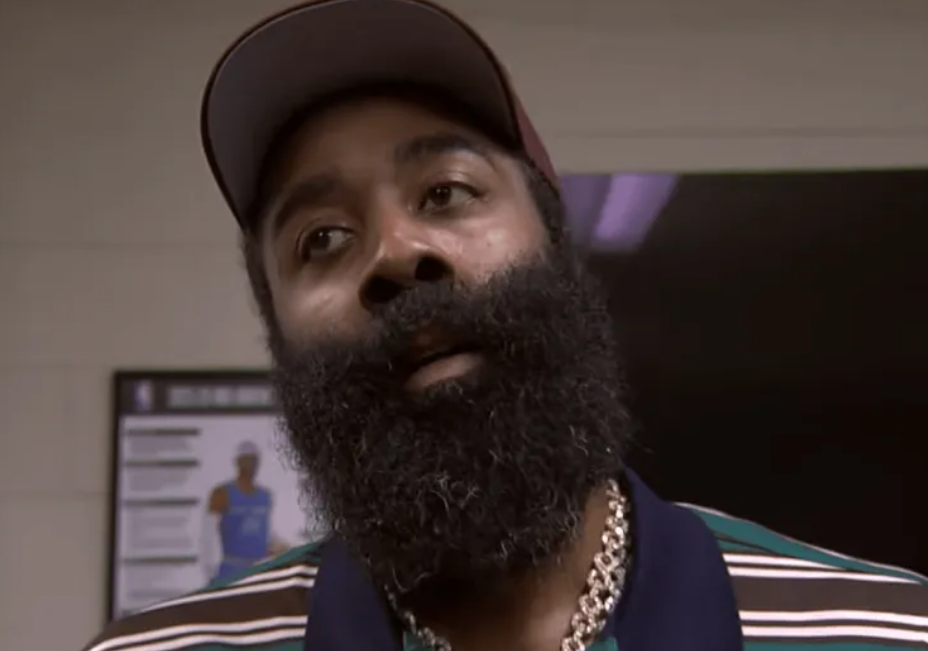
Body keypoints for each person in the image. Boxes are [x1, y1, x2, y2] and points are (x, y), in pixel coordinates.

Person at [82, 1, 928, 650]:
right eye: (322, 239)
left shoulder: (886, 633)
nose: (395, 252)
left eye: (445, 192)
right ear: (279, 336)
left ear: (555, 244)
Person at [200, 441, 289, 583]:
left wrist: (284, 550)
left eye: (254, 460)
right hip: (232, 570)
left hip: (259, 571)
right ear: (238, 462)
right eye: (247, 460)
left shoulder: (265, 496)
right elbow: (208, 536)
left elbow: (267, 534)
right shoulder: (222, 494)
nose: (250, 465)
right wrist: (209, 571)